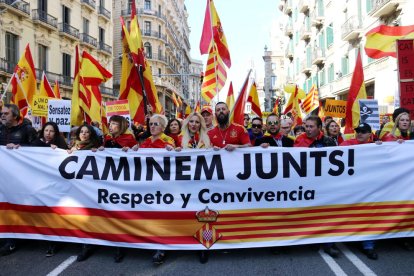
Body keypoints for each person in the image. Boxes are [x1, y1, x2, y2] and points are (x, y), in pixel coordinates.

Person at [294, 116, 338, 258]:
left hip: (325, 185)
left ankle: (329, 244)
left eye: (311, 126)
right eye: (306, 126)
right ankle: (312, 240)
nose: (308, 129)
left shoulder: (328, 141)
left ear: (319, 128)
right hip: (307, 184)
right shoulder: (299, 140)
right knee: (310, 213)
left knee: (327, 214)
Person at [98, 115, 137, 262]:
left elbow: (136, 157)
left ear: (121, 126)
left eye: (114, 124)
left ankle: (122, 245)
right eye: (110, 123)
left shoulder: (129, 139)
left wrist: (132, 151)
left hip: (123, 182)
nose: (111, 126)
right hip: (109, 181)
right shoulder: (106, 139)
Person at [0, 103, 37, 256]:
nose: (2, 116)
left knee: (13, 205)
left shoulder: (27, 130)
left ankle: (12, 240)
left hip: (19, 177)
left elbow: (38, 149)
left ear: (15, 116)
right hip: (2, 175)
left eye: (6, 113)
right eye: (1, 113)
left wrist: (19, 147)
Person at [340, 123, 379, 260]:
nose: (360, 133)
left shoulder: (376, 146)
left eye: (363, 131)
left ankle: (368, 246)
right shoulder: (346, 144)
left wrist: (395, 144)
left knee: (368, 216)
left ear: (370, 134)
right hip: (350, 188)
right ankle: (334, 242)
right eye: (358, 131)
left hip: (368, 189)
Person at [140, 114, 174, 265]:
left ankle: (162, 248)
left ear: (162, 127)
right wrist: (132, 149)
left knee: (161, 215)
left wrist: (171, 150)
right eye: (151, 124)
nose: (152, 126)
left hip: (163, 185)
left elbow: (175, 155)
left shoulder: (168, 140)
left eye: (155, 124)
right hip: (147, 185)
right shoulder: (146, 141)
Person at [68, 124, 102, 261]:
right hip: (77, 188)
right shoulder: (73, 147)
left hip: (91, 188)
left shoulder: (95, 148)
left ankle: (88, 244)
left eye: (87, 132)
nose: (83, 134)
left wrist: (99, 152)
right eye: (81, 132)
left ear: (91, 134)